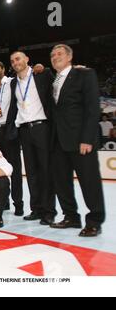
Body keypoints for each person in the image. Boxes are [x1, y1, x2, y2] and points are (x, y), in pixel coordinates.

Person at [48, 44, 105, 237]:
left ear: (70, 56)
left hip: (80, 141)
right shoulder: (53, 81)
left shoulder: (84, 75)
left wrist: (87, 138)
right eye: (53, 55)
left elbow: (92, 108)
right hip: (58, 142)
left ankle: (95, 221)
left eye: (60, 54)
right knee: (62, 183)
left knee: (90, 182)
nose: (56, 57)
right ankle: (71, 216)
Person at [6, 51, 56, 225]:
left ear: (27, 59)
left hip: (42, 127)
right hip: (24, 131)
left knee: (46, 171)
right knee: (32, 172)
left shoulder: (42, 74)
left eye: (18, 59)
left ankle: (49, 211)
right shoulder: (13, 83)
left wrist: (43, 67)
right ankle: (36, 209)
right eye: (12, 61)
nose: (15, 62)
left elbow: (58, 80)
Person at [0, 61, 24, 216]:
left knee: (14, 169)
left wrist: (39, 69)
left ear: (3, 69)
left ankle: (19, 204)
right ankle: (3, 203)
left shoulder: (12, 82)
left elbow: (26, 77)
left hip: (9, 130)